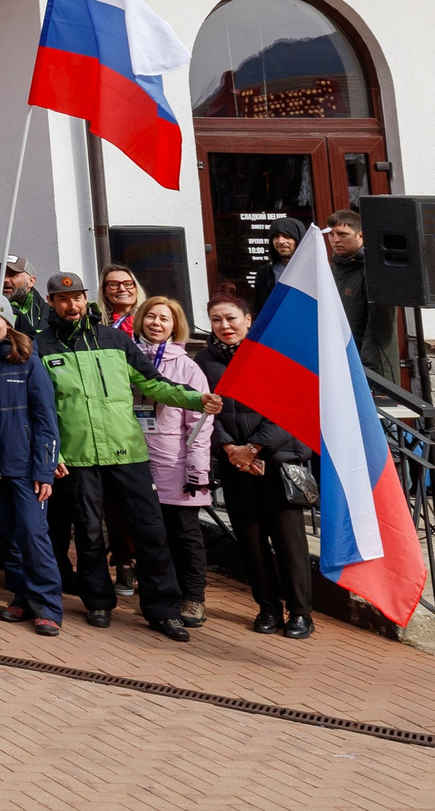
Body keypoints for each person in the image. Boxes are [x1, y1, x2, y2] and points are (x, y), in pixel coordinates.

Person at [35, 271, 218, 640]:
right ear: (52, 303)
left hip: (128, 451)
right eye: (63, 299)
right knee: (88, 534)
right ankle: (99, 601)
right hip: (78, 455)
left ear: (87, 300)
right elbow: (38, 408)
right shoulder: (42, 346)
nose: (72, 305)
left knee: (150, 531)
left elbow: (153, 383)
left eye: (78, 298)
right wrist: (50, 453)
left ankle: (162, 609)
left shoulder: (115, 338)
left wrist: (195, 399)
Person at [201, 297, 315, 637]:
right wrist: (229, 449)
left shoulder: (274, 355)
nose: (225, 326)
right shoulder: (204, 361)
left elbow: (290, 409)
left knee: (288, 542)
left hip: (277, 462)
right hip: (235, 464)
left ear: (248, 319)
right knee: (250, 542)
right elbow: (203, 411)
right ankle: (267, 608)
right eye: (216, 320)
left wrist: (254, 448)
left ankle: (299, 613)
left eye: (231, 318)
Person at [0, 294, 64, 634]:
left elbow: (45, 419)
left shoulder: (27, 360)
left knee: (34, 536)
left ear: (7, 321)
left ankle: (48, 607)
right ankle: (22, 597)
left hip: (25, 469)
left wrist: (44, 469)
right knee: (8, 537)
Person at [132, 296, 213, 628]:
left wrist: (197, 467)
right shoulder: (129, 358)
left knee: (185, 534)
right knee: (152, 534)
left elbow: (200, 421)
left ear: (174, 325)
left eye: (164, 319)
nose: (156, 324)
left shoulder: (187, 366)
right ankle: (162, 591)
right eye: (150, 317)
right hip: (139, 460)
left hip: (175, 462)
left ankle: (193, 597)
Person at [276, 209, 396, 378]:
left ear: (360, 236)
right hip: (335, 367)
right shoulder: (329, 272)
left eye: (342, 234)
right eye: (331, 234)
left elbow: (380, 333)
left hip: (368, 373)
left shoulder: (376, 274)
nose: (335, 239)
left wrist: (366, 375)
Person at [99, 265, 144, 336]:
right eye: (114, 285)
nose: (122, 289)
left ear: (136, 289)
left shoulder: (149, 321)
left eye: (128, 284)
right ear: (104, 292)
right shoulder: (97, 325)